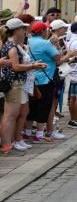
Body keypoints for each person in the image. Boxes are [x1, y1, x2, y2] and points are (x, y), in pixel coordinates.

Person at [1, 18, 49, 153]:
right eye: (22, 28)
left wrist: (32, 65)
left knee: (14, 114)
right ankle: (6, 145)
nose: (24, 31)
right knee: (10, 115)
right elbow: (15, 67)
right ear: (16, 30)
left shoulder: (13, 45)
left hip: (17, 83)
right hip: (13, 83)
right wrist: (33, 65)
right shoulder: (11, 47)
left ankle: (10, 143)